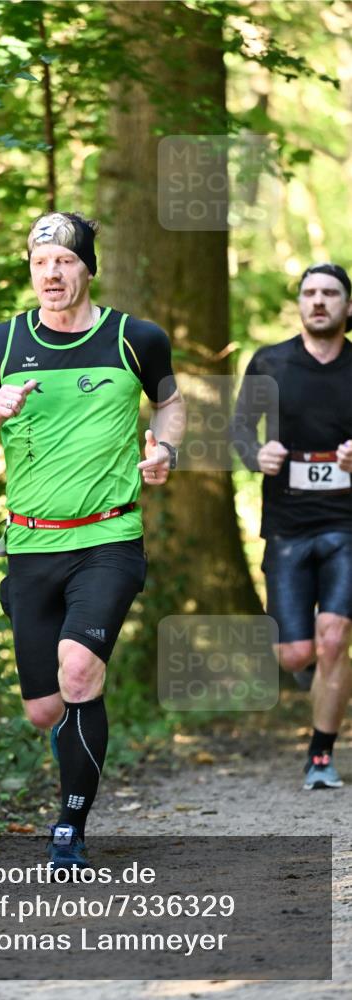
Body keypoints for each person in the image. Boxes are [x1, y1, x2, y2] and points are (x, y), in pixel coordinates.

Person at [0, 211, 185, 867]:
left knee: (78, 672)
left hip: (109, 537)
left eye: (64, 261)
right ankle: (78, 749)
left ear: (87, 268)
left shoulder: (135, 339)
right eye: (39, 262)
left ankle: (69, 827)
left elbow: (170, 402)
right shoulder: (1, 343)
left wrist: (165, 449)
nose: (51, 273)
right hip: (30, 545)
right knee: (44, 708)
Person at [232, 262, 352, 790]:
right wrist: (257, 454)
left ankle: (320, 756)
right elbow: (239, 431)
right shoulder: (271, 361)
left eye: (330, 293)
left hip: (347, 523)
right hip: (287, 525)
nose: (318, 301)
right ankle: (317, 669)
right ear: (300, 303)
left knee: (334, 638)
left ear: (348, 306)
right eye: (309, 293)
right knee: (295, 653)